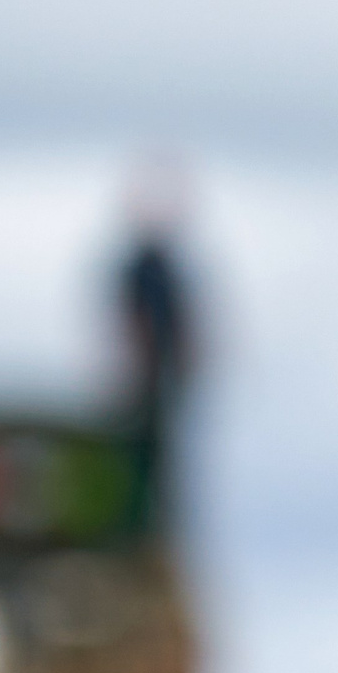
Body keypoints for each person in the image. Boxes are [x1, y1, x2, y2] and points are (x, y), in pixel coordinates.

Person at [112, 158, 199, 527]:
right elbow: (132, 324)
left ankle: (158, 526)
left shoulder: (169, 268)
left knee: (167, 461)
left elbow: (182, 326)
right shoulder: (139, 268)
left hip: (163, 380)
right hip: (143, 382)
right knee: (143, 457)